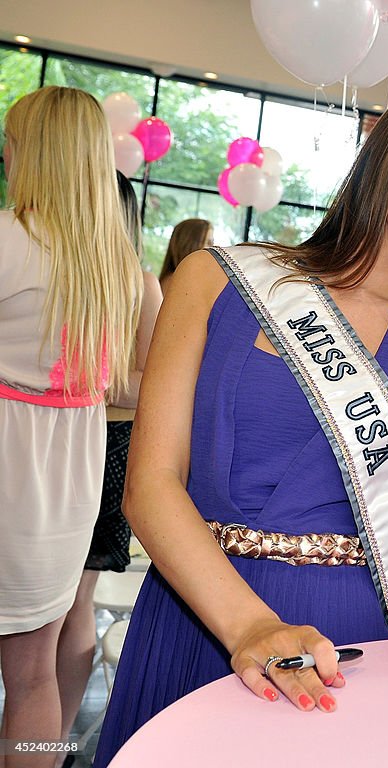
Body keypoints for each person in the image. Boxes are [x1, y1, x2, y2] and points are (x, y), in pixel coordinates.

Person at [93, 75, 388, 764]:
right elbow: (149, 487)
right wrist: (251, 625)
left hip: (345, 639)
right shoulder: (214, 280)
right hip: (200, 611)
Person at [0, 86, 141, 767]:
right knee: (33, 677)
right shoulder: (118, 270)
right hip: (68, 484)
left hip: (10, 466)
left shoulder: (8, 239)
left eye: (12, 139)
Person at [53, 172, 163, 757]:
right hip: (48, 441)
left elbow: (152, 385)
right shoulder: (56, 275)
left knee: (73, 605)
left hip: (106, 451)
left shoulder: (140, 286)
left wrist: (72, 379)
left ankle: (56, 738)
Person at [158, 217, 213, 292]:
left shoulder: (179, 280)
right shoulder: (176, 283)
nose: (213, 248)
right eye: (208, 242)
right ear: (190, 245)